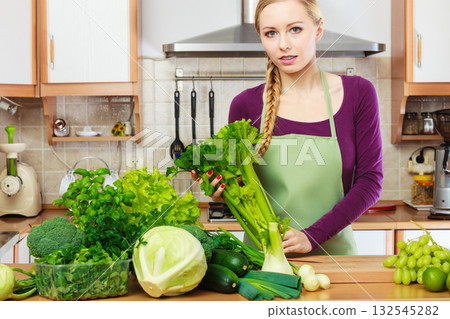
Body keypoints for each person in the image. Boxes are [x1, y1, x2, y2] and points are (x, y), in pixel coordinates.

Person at [194, 0, 383, 256]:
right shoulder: (245, 105)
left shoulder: (358, 94)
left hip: (336, 263)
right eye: (271, 33)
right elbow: (240, 186)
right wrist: (221, 190)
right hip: (264, 263)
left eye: (295, 29)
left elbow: (371, 181)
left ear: (318, 29)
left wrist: (311, 237)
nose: (283, 44)